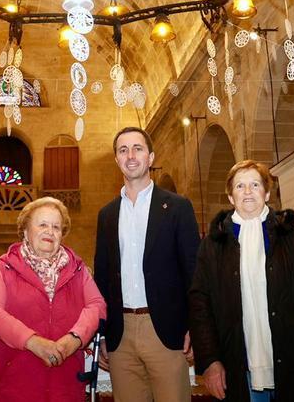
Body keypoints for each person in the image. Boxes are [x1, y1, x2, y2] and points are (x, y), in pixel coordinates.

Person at [189, 160, 294, 401]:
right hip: (237, 360)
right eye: (240, 186)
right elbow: (200, 304)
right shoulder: (214, 244)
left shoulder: (292, 235)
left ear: (266, 193)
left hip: (292, 358)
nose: (247, 191)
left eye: (255, 184)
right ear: (230, 196)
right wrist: (211, 360)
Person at [94, 127, 200, 402]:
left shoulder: (177, 207)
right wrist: (102, 333)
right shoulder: (106, 215)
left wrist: (195, 326)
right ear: (117, 160)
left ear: (150, 157)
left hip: (165, 330)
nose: (131, 155)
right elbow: (102, 280)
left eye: (137, 148)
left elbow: (194, 273)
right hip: (121, 334)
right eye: (123, 150)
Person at [0, 197, 106, 401]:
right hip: (13, 382)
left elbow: (97, 305)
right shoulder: (4, 268)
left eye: (56, 227)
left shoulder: (78, 270)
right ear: (25, 231)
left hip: (64, 381)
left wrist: (74, 339)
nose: (50, 231)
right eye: (43, 225)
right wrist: (33, 342)